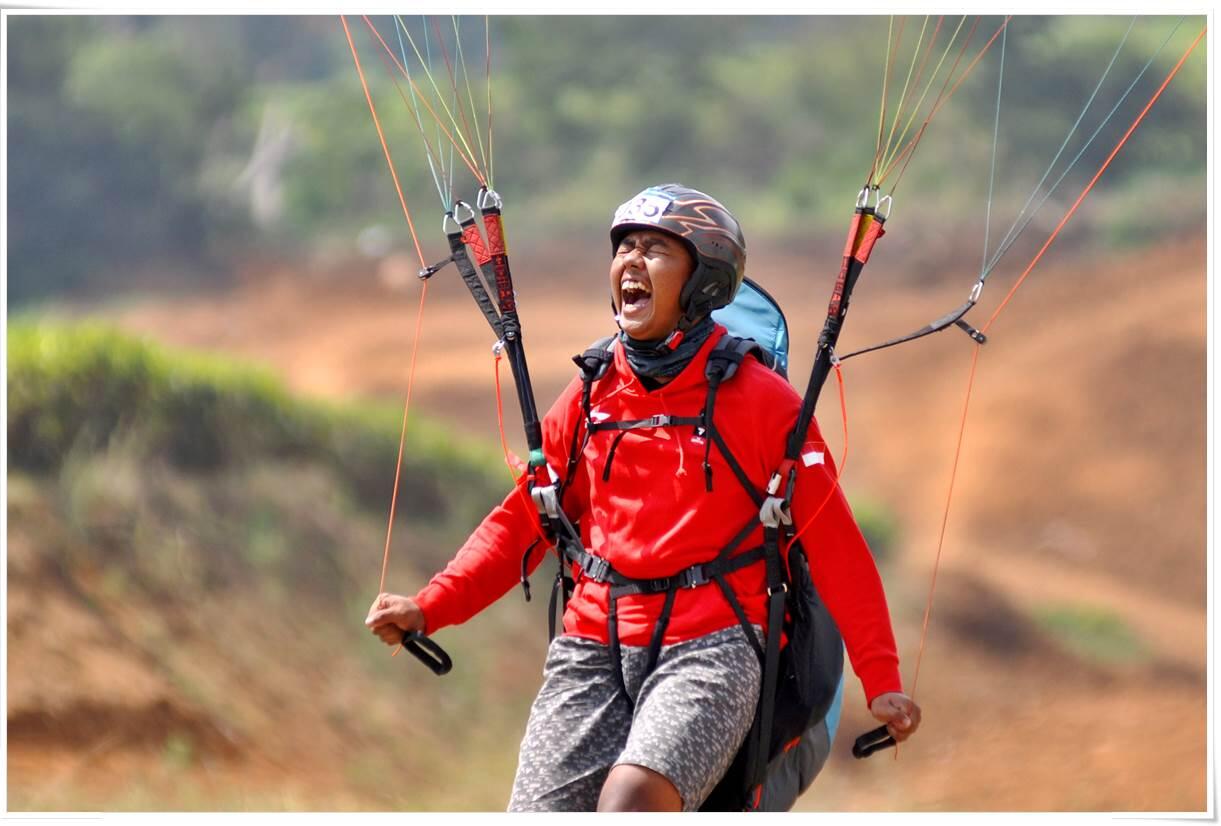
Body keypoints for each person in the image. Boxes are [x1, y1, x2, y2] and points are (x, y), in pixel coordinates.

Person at [365, 183, 921, 812]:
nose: (631, 260)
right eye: (624, 246)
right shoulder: (591, 393)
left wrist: (882, 678)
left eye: (656, 249)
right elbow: (521, 520)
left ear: (704, 283)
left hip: (715, 647)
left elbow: (834, 546)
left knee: (631, 806)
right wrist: (430, 606)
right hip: (593, 645)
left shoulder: (764, 402)